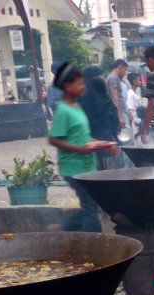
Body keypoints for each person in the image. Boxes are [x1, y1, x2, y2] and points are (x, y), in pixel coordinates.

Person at [47, 62, 111, 233]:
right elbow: (54, 139)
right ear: (67, 86)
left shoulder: (77, 107)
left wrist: (102, 144)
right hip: (74, 168)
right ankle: (95, 243)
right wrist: (79, 149)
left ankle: (61, 228)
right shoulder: (63, 110)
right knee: (91, 207)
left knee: (90, 204)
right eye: (79, 83)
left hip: (87, 165)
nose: (83, 86)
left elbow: (82, 136)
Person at [79, 64, 123, 168]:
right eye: (100, 75)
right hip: (105, 142)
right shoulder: (104, 97)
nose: (102, 78)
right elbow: (113, 119)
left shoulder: (80, 99)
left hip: (89, 142)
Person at [106, 59, 128, 133]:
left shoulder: (112, 77)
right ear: (120, 67)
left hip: (121, 111)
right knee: (127, 138)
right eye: (125, 70)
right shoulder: (113, 78)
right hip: (119, 112)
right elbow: (115, 97)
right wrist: (120, 115)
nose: (125, 73)